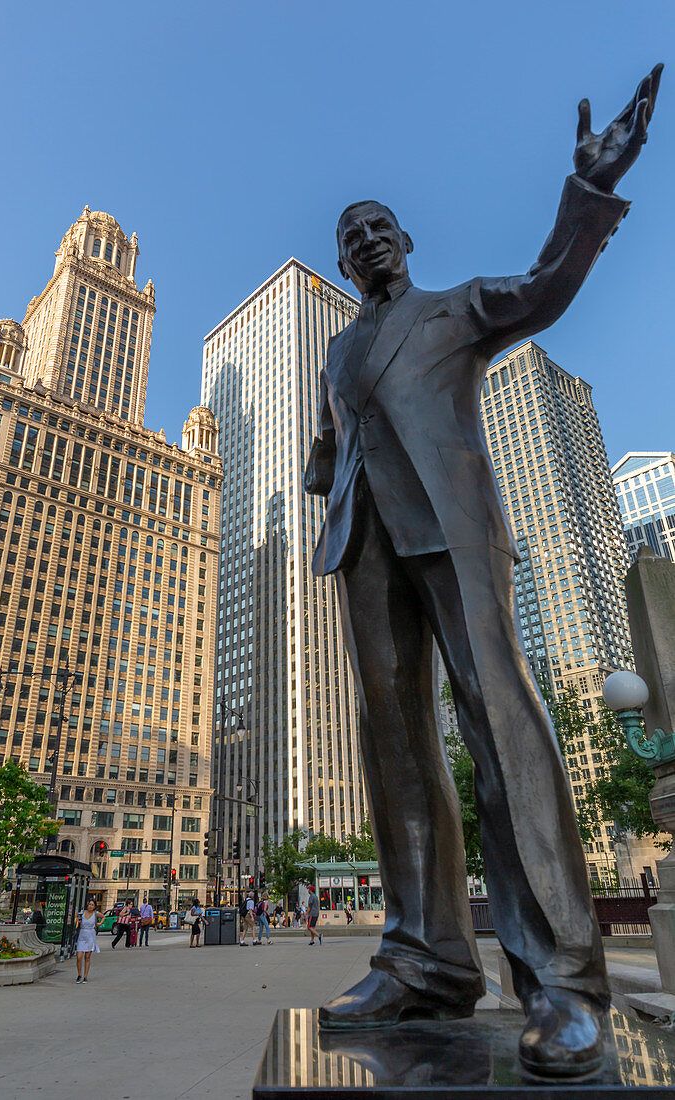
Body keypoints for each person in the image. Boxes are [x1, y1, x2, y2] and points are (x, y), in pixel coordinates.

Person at [303, 66, 662, 1074]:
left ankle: (563, 979)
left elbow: (546, 286)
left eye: (382, 225)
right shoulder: (337, 348)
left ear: (404, 242)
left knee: (496, 715)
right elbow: (335, 437)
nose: (369, 238)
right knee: (393, 744)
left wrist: (587, 192)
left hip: (453, 530)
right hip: (361, 539)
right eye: (352, 234)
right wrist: (322, 464)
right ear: (340, 262)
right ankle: (423, 957)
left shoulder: (457, 307)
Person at [74, 898, 103, 983]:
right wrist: (78, 921)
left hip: (90, 935)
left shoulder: (95, 914)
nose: (90, 906)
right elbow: (77, 921)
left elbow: (103, 917)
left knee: (87, 957)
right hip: (82, 934)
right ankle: (79, 975)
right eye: (89, 904)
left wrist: (99, 923)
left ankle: (85, 976)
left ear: (94, 906)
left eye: (92, 905)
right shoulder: (82, 912)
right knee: (79, 956)